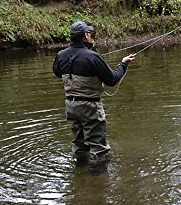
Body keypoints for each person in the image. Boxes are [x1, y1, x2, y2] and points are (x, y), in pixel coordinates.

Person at [53, 21, 136, 168]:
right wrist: (123, 64)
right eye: (89, 34)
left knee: (79, 144)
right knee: (98, 147)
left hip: (70, 107)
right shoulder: (93, 57)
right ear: (85, 36)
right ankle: (97, 182)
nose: (91, 36)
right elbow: (112, 80)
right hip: (89, 107)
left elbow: (58, 72)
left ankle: (80, 175)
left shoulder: (61, 55)